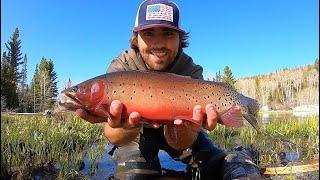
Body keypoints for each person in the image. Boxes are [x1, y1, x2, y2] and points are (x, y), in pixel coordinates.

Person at [76, 0, 262, 179]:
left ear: (180, 39)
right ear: (136, 38)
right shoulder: (121, 68)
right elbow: (114, 136)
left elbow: (182, 142)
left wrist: (185, 127)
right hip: (136, 135)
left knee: (213, 166)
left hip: (180, 129)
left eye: (168, 33)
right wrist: (127, 126)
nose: (158, 43)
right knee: (134, 175)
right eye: (149, 33)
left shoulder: (190, 69)